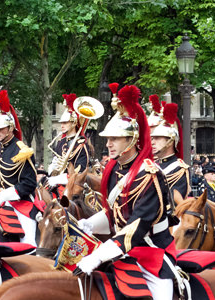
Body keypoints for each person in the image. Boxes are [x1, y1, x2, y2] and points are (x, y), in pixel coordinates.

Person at [76, 83, 177, 300]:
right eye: (107, 139)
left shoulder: (149, 175)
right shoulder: (114, 169)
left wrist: (99, 255)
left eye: (114, 139)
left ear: (131, 140)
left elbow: (136, 227)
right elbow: (115, 213)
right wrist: (89, 224)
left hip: (151, 252)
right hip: (122, 249)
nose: (109, 144)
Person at [0, 90, 40, 246]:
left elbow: (29, 184)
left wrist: (4, 196)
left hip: (21, 203)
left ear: (10, 128)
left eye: (1, 129)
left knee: (27, 242)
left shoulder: (23, 150)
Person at [46, 93, 91, 187]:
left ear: (74, 123)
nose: (62, 125)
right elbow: (56, 161)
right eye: (61, 123)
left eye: (65, 123)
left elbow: (80, 173)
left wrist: (59, 179)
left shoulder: (81, 145)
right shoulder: (61, 142)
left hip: (73, 187)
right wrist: (52, 169)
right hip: (56, 183)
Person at [151, 101, 191, 203]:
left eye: (157, 138)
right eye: (152, 138)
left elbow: (173, 203)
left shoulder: (179, 169)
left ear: (170, 141)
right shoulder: (153, 165)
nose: (152, 142)